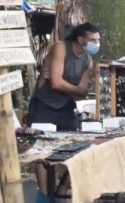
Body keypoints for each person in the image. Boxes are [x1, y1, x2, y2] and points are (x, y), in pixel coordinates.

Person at [28, 22, 100, 195]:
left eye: (98, 40)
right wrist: (74, 89)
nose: (96, 44)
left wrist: (70, 88)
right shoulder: (61, 48)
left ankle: (62, 189)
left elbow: (81, 91)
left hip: (65, 106)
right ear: (80, 39)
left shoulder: (87, 60)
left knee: (79, 146)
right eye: (93, 40)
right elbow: (56, 82)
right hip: (44, 104)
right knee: (41, 149)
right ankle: (44, 194)